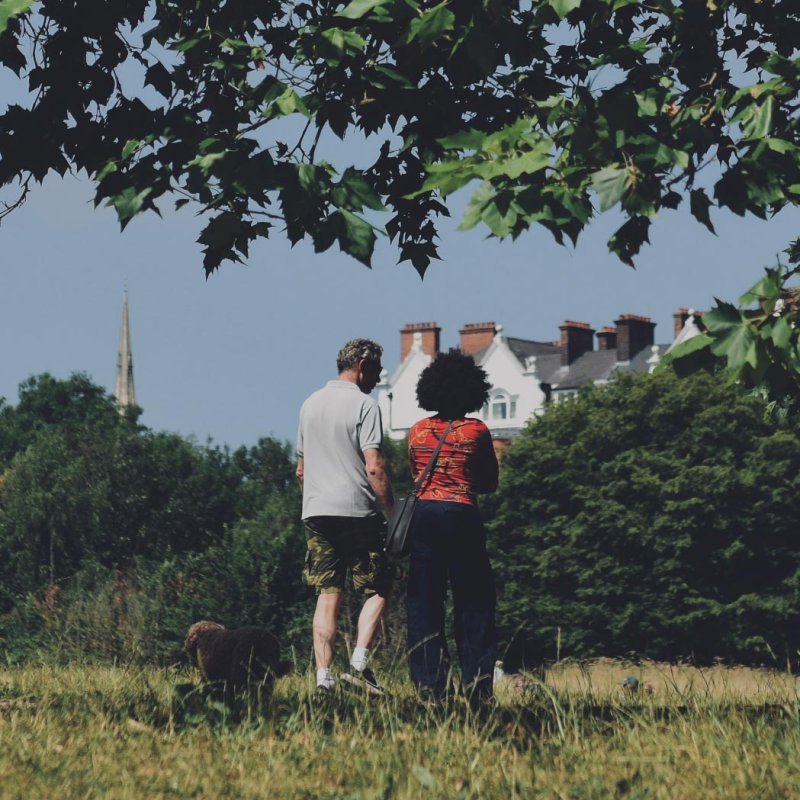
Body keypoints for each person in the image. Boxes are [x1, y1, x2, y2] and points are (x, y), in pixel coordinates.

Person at [296, 338, 395, 695]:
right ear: (363, 364)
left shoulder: (309, 404)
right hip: (358, 512)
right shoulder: (365, 406)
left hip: (317, 511)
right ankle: (358, 664)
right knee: (380, 584)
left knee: (327, 592)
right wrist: (393, 512)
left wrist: (316, 500)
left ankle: (324, 679)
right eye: (378, 368)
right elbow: (374, 467)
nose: (379, 375)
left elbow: (301, 471)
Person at [406, 349, 499, 702]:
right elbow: (489, 481)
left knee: (424, 603)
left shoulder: (417, 432)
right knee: (474, 603)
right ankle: (477, 686)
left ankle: (430, 686)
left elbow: (416, 475)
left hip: (424, 517)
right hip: (461, 516)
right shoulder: (476, 431)